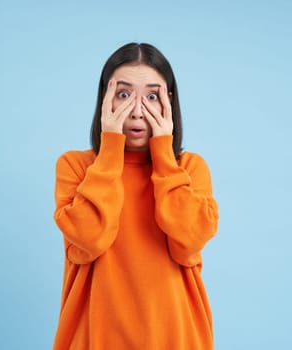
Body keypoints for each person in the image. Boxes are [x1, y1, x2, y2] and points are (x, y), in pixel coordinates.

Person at [52, 42, 219, 349]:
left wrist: (165, 156)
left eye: (152, 96)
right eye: (124, 94)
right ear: (106, 101)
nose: (138, 111)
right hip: (94, 338)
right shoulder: (76, 166)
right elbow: (90, 239)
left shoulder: (189, 168)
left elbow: (188, 241)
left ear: (169, 103)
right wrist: (111, 148)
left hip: (176, 337)